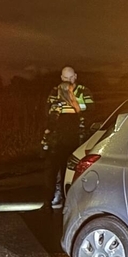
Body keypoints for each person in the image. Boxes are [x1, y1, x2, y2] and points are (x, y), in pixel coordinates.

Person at [42, 66, 94, 209]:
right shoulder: (55, 91)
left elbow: (90, 110)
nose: (68, 81)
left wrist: (74, 104)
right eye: (65, 78)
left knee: (70, 170)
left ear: (75, 77)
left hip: (76, 137)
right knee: (51, 170)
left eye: (70, 78)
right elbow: (48, 112)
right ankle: (49, 200)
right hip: (57, 138)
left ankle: (67, 199)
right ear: (61, 78)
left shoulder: (84, 91)